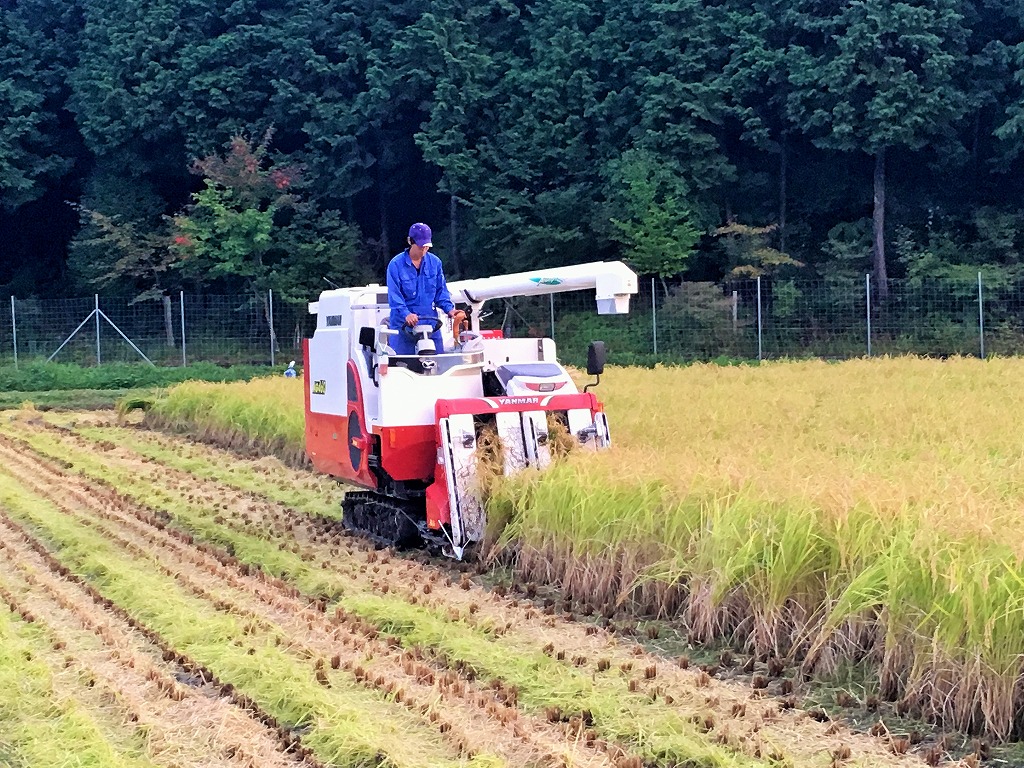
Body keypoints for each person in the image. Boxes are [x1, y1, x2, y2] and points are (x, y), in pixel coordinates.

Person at [386, 222, 458, 356]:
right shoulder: (395, 265)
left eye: (426, 246)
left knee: (438, 363)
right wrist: (406, 314)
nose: (424, 250)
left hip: (430, 324)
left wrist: (450, 309)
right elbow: (394, 296)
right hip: (404, 327)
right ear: (410, 241)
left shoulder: (435, 263)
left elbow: (441, 292)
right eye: (420, 246)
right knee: (403, 366)